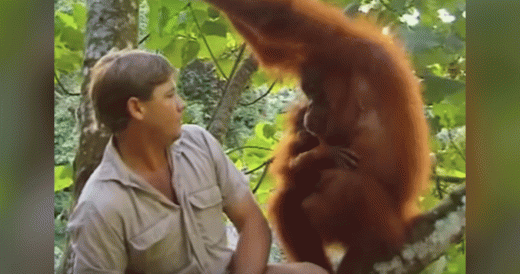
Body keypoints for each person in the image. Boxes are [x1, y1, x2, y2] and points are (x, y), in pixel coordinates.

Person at [67, 49, 328, 274]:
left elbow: (252, 223)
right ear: (137, 108)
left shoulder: (198, 144)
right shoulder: (99, 207)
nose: (181, 105)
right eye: (169, 95)